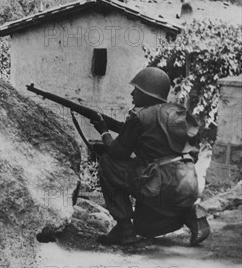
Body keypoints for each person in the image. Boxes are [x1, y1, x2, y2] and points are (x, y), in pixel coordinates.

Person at [90, 67, 210, 246]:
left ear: (148, 92)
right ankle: (189, 214)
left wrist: (104, 131)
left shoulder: (139, 116)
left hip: (161, 184)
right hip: (189, 184)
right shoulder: (178, 112)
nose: (132, 93)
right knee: (145, 228)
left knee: (108, 161)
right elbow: (154, 136)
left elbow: (117, 151)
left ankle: (124, 228)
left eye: (136, 89)